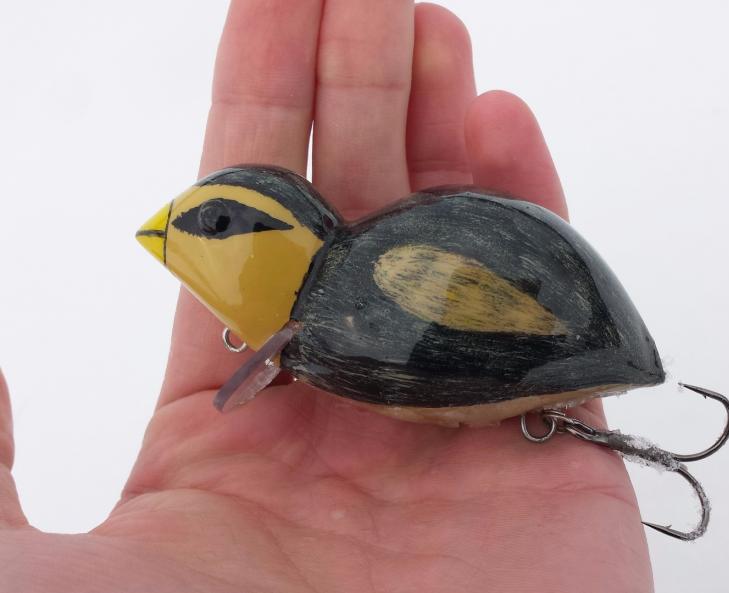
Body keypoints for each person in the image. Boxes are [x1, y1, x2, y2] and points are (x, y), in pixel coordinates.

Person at [0, 1, 654, 590]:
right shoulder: (321, 325)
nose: (164, 236)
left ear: (276, 237)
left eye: (217, 224)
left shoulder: (341, 305)